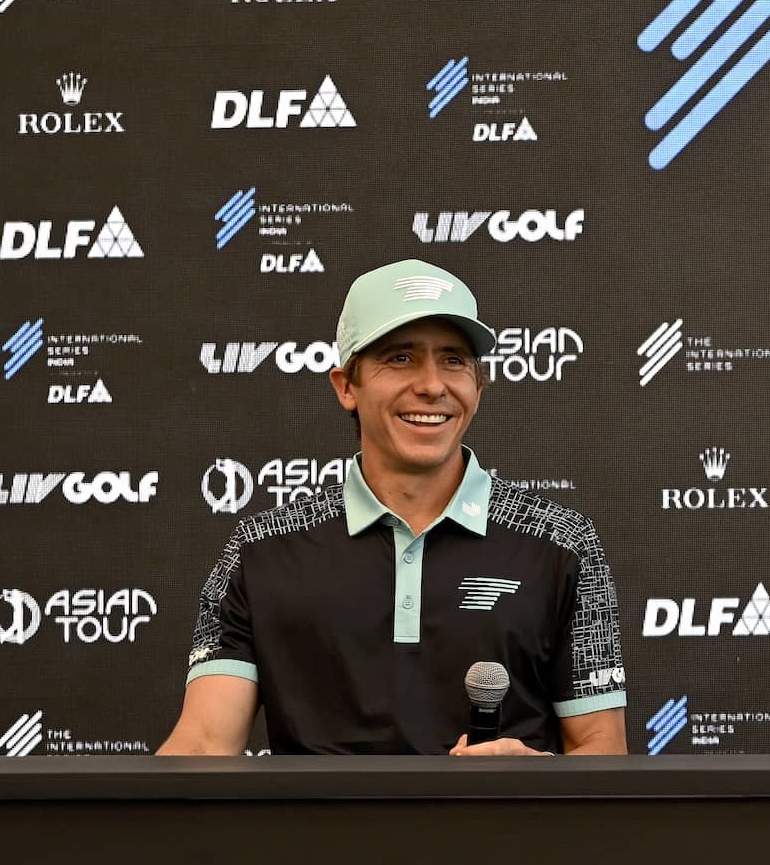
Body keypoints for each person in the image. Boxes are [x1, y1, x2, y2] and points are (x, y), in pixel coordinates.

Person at [157, 260, 627, 756]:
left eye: (453, 360)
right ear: (346, 386)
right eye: (400, 358)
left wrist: (538, 776)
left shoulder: (561, 541)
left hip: (498, 834)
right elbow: (206, 744)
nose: (431, 385)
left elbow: (601, 746)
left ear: (478, 387)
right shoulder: (260, 549)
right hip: (309, 836)